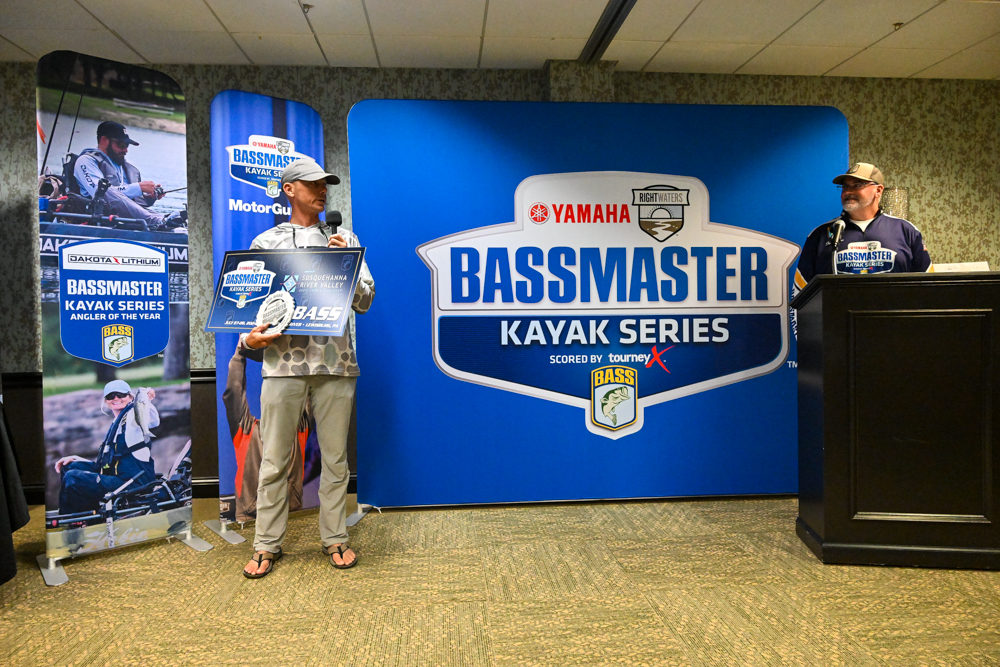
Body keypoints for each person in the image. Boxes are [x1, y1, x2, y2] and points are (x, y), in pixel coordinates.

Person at [241, 158, 375, 578]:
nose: (322, 191)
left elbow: (365, 301)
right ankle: (266, 544)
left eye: (325, 185)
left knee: (336, 460)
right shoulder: (266, 242)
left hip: (336, 364)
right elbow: (247, 304)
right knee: (274, 460)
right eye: (313, 184)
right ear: (289, 189)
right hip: (283, 365)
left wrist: (346, 263)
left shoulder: (345, 238)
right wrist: (247, 341)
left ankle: (335, 538)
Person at [794, 162, 932, 289]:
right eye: (845, 186)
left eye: (858, 185)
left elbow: (928, 286)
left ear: (878, 190)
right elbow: (801, 291)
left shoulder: (906, 231)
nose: (848, 192)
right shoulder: (821, 234)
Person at [223, 338, 315, 522]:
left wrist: (306, 351)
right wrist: (241, 350)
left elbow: (310, 393)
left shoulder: (298, 429)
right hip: (250, 516)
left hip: (291, 512)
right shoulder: (247, 431)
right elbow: (234, 392)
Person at [55, 380, 159, 515]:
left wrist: (147, 400)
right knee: (69, 467)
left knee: (73, 478)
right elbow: (107, 463)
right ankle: (85, 513)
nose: (116, 398)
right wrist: (76, 458)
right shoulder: (116, 423)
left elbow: (153, 421)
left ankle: (75, 519)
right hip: (115, 477)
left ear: (130, 397)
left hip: (133, 483)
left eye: (121, 395)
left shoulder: (133, 416)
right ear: (105, 401)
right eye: (111, 396)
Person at [72, 121, 184, 230]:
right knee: (104, 189)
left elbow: (128, 202)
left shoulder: (125, 167)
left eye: (127, 146)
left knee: (161, 218)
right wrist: (137, 188)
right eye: (121, 145)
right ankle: (158, 222)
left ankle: (167, 221)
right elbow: (99, 194)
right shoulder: (86, 161)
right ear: (104, 140)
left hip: (121, 217)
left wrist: (148, 197)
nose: (125, 150)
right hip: (96, 213)